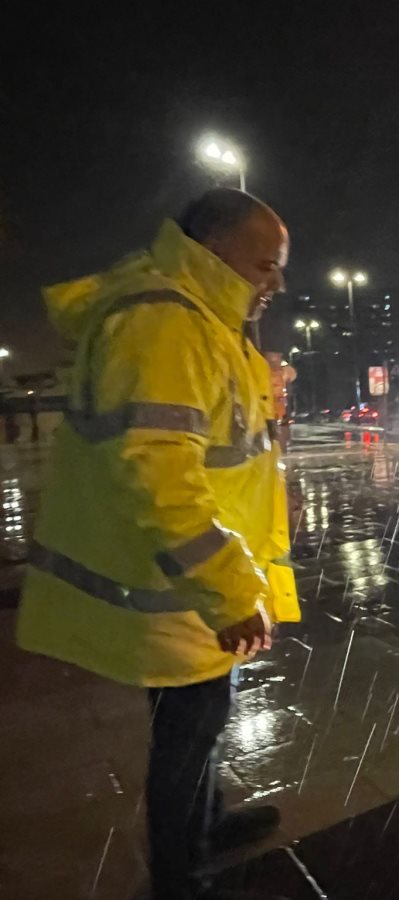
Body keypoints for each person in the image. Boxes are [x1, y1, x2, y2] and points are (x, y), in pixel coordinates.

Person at [17, 189, 300, 900]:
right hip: (182, 589)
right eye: (266, 265)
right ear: (213, 249)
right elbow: (160, 477)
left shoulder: (196, 317)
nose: (277, 283)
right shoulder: (165, 323)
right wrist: (231, 591)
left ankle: (205, 825)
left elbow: (211, 449)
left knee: (200, 724)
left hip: (188, 586)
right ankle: (183, 875)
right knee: (188, 732)